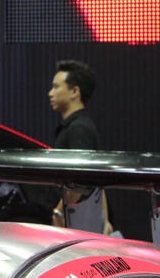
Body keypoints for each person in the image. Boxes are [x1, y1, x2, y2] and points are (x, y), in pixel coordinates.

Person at [48, 60, 112, 234]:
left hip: (77, 220)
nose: (50, 93)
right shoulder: (76, 126)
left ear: (74, 92)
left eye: (56, 87)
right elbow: (97, 178)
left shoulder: (79, 129)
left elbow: (81, 180)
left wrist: (59, 213)